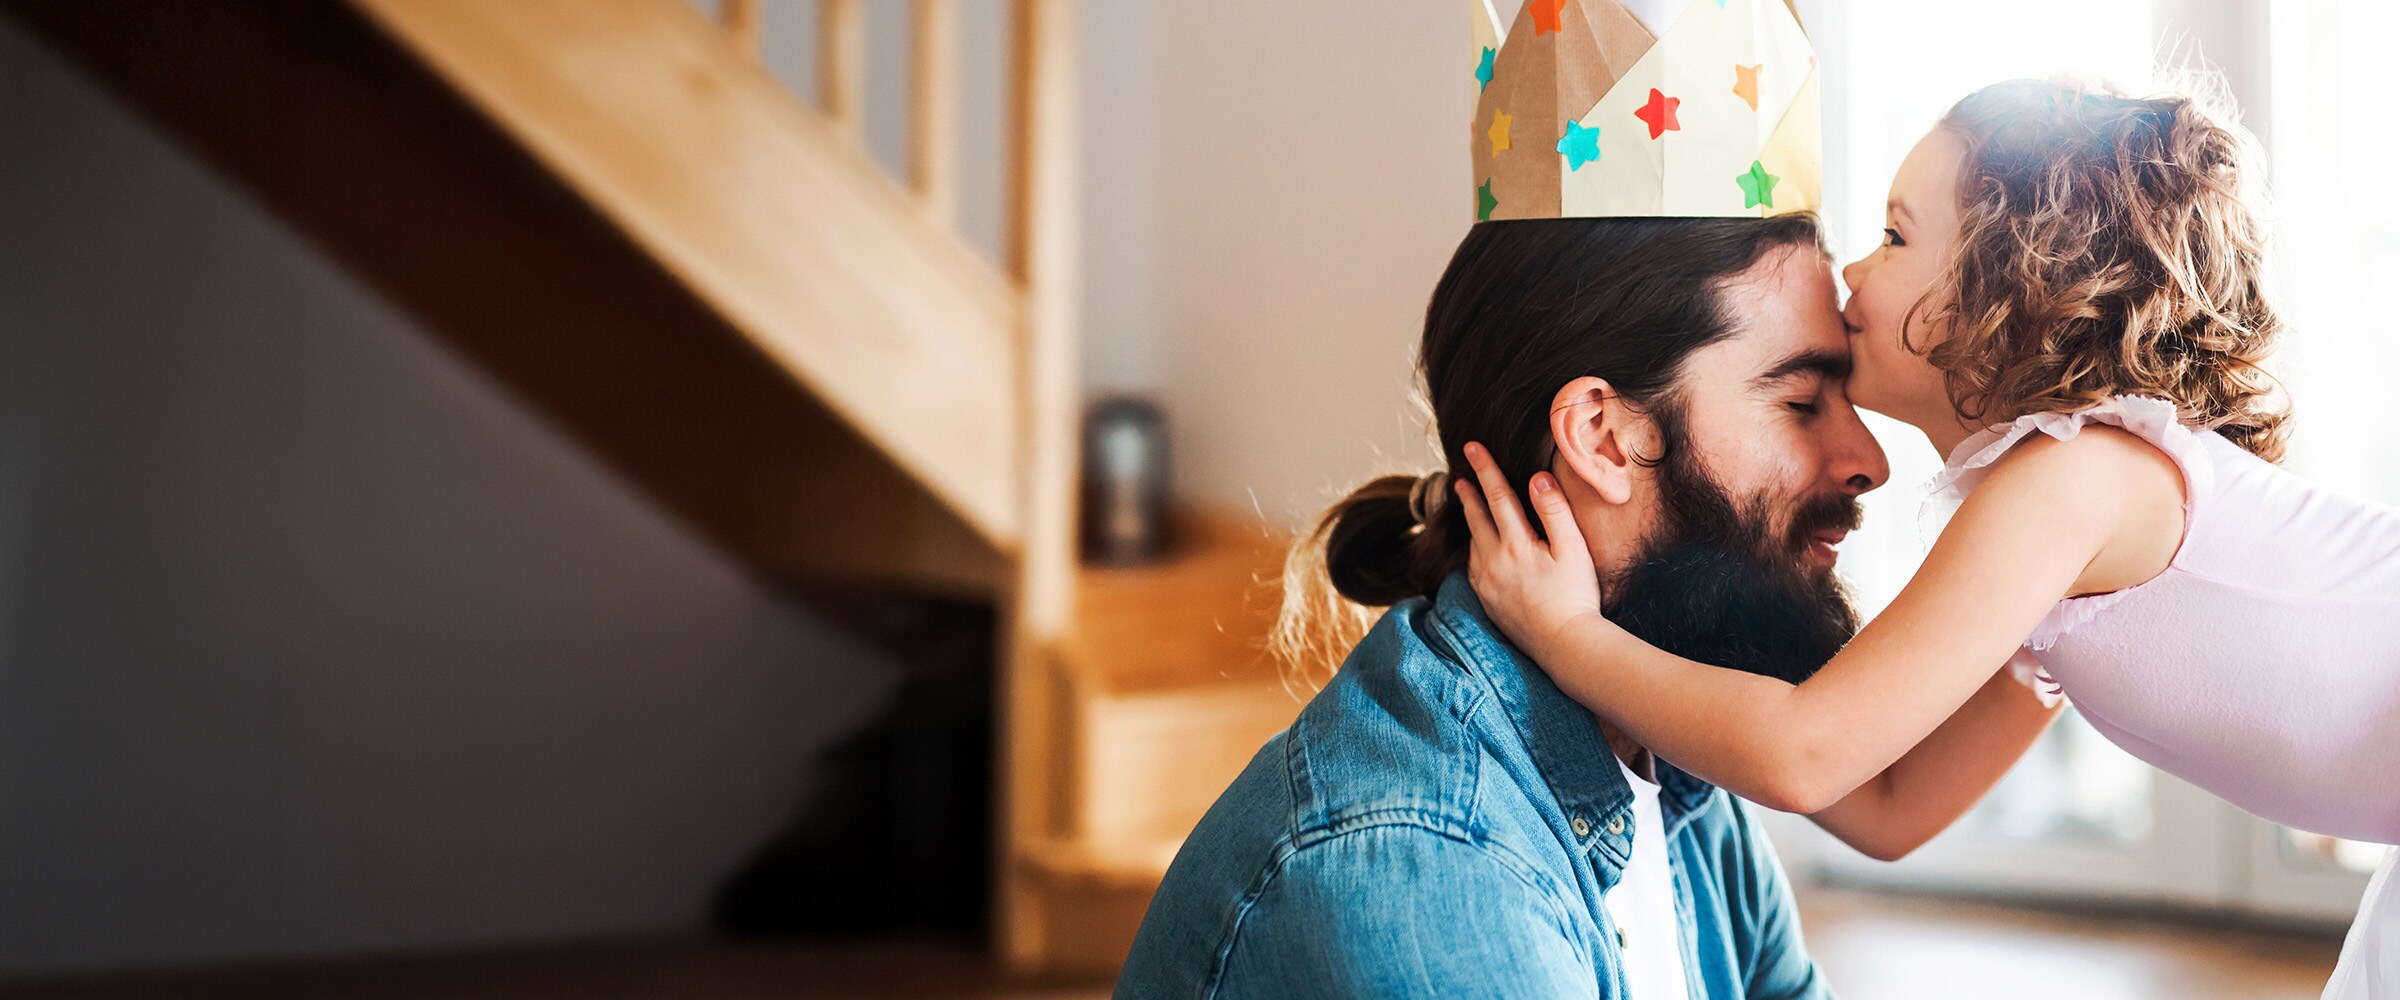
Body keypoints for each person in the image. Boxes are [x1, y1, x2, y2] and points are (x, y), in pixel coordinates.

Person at [1456, 77, 2400, 999]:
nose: (1851, 274)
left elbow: (1805, 755)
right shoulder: (2058, 528)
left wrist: (1567, 635)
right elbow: (1886, 806)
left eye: (1897, 234)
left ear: (2019, 286)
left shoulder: (2079, 480)